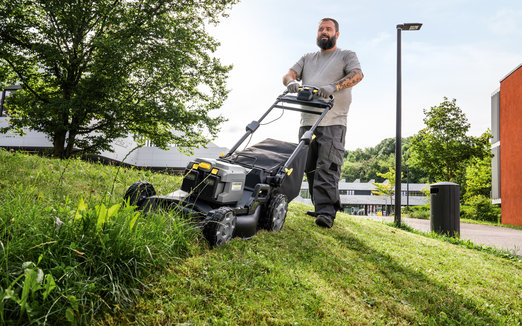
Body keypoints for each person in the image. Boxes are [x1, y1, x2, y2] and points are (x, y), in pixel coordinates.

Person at [282, 18, 363, 228]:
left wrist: (333, 87)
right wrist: (292, 81)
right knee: (309, 167)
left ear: (337, 34)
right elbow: (289, 73)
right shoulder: (308, 58)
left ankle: (327, 212)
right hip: (308, 120)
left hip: (333, 121)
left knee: (327, 166)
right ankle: (320, 207)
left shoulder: (346, 55)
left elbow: (357, 74)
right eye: (320, 29)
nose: (323, 32)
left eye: (328, 29)